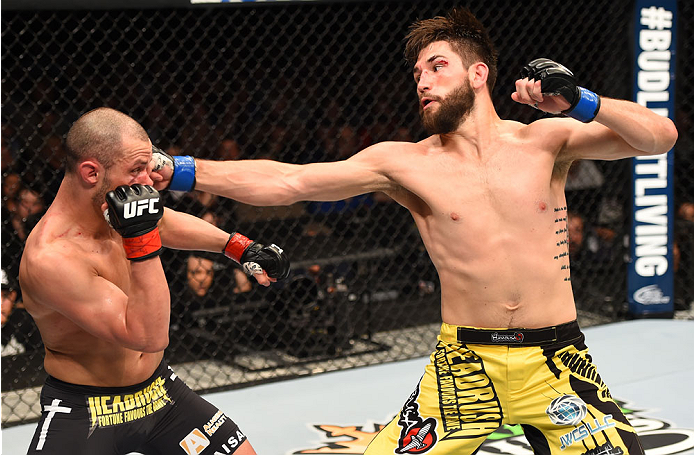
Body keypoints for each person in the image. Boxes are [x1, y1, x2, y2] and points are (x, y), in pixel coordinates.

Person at [151, 8, 677, 454]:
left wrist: (582, 101)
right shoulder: (404, 163)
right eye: (417, 72)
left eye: (437, 65)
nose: (423, 81)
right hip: (464, 366)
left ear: (478, 74)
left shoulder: (545, 141)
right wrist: (178, 169)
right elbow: (289, 182)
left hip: (558, 359)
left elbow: (659, 137)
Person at [18, 107, 290, 455]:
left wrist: (240, 248)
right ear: (91, 172)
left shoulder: (113, 207)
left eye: (148, 167)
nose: (148, 181)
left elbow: (163, 221)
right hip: (86, 409)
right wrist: (140, 238)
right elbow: (148, 336)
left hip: (158, 392)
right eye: (136, 171)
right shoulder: (51, 258)